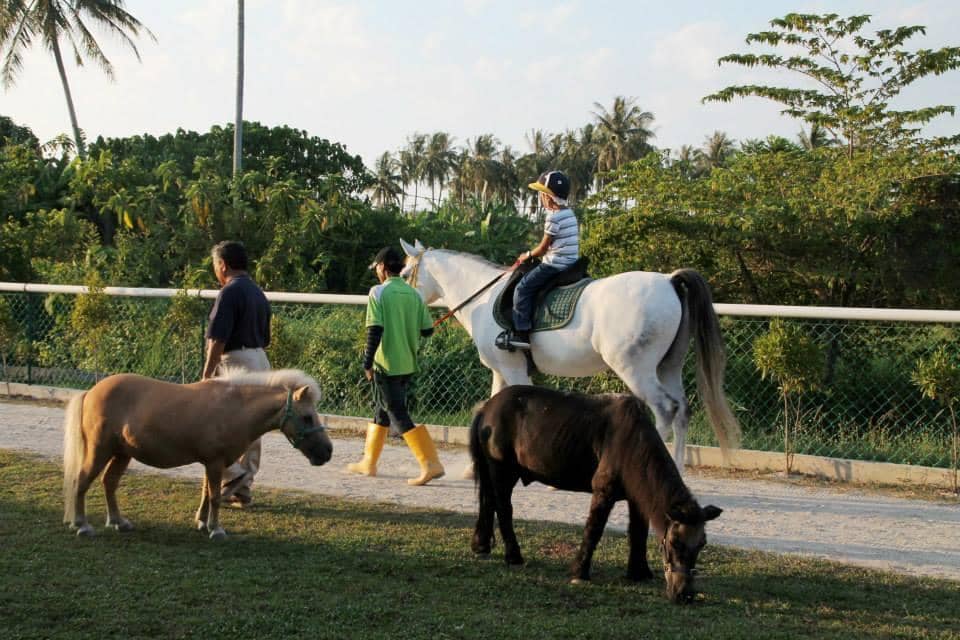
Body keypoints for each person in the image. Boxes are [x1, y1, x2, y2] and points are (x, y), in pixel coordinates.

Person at [346, 246, 445, 486]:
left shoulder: (378, 292)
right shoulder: (414, 295)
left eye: (376, 268)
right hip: (407, 363)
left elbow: (375, 329)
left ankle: (430, 464)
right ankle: (368, 463)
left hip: (386, 364)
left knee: (397, 413)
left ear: (381, 268)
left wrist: (367, 362)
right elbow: (427, 330)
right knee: (382, 409)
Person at [201, 240, 272, 507]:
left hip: (237, 362)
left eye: (215, 266)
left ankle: (234, 476)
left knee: (218, 425)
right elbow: (266, 337)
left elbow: (218, 337)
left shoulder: (229, 292)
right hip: (260, 360)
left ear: (223, 265)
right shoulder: (257, 292)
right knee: (252, 429)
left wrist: (208, 371)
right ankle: (243, 486)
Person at [509, 170, 579, 348]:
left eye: (541, 194)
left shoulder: (553, 217)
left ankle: (521, 334)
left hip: (555, 264)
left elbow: (542, 249)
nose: (540, 198)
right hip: (572, 262)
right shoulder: (569, 213)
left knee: (522, 288)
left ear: (548, 197)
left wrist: (527, 255)